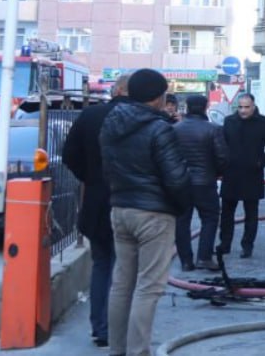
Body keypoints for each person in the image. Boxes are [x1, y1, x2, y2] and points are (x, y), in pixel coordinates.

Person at [100, 68, 190, 356]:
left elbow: (107, 168)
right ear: (158, 97)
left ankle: (117, 349)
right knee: (148, 287)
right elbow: (176, 179)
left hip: (120, 209)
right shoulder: (160, 129)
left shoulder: (111, 123)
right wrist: (180, 206)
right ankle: (138, 351)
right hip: (153, 214)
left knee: (122, 283)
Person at [61, 72, 131, 348]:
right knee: (125, 268)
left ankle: (101, 328)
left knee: (102, 264)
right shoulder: (142, 118)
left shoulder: (90, 116)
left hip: (96, 201)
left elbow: (69, 155)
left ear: (114, 90)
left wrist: (91, 178)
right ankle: (119, 330)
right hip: (131, 202)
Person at [173, 94, 228, 271]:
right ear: (206, 107)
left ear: (187, 107)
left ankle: (186, 261)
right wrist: (218, 173)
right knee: (210, 218)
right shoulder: (213, 129)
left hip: (180, 182)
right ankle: (204, 257)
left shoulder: (175, 129)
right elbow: (222, 157)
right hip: (205, 181)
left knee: (182, 221)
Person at [218, 92, 265, 259]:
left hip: (252, 174)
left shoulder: (264, 123)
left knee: (251, 213)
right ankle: (225, 244)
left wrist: (260, 163)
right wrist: (223, 165)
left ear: (253, 106)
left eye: (246, 107)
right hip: (231, 173)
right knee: (227, 213)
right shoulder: (229, 121)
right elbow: (222, 145)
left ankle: (247, 246)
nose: (243, 110)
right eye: (240, 107)